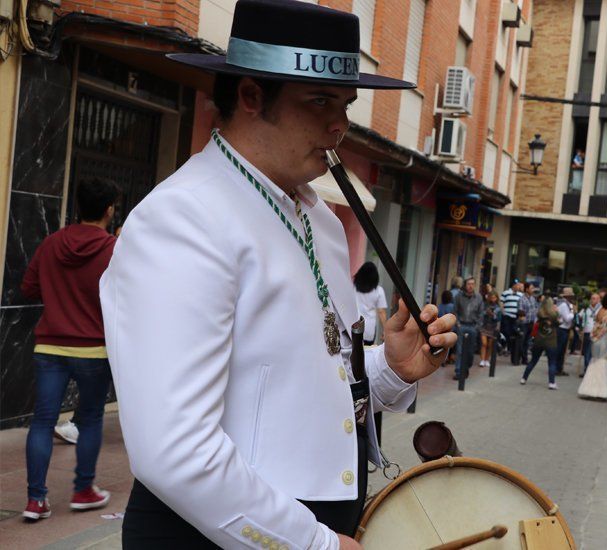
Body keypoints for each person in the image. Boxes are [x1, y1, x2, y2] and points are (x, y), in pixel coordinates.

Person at [99, 3, 457, 547]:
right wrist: (312, 543)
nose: (339, 125)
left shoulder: (319, 219)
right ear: (249, 96)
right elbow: (174, 450)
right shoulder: (184, 219)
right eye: (318, 102)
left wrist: (393, 371)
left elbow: (302, 384)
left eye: (345, 104)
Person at [20, 177, 120, 521]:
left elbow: (29, 287)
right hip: (94, 349)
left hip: (49, 345)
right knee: (90, 420)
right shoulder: (113, 250)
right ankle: (82, 490)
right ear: (109, 210)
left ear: (78, 207)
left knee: (43, 421)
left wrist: (58, 294)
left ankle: (35, 501)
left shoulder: (51, 243)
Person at [578, 293, 607, 400]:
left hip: (595, 341)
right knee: (602, 364)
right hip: (604, 341)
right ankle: (600, 392)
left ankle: (588, 390)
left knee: (593, 363)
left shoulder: (599, 312)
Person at [521, 297, 561, 389]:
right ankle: (551, 383)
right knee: (552, 362)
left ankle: (524, 378)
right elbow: (559, 323)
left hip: (539, 341)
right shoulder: (554, 315)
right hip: (551, 341)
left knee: (533, 361)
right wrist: (557, 312)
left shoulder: (540, 314)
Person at [454, 277, 484, 380]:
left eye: (472, 284)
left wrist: (477, 327)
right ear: (465, 285)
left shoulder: (479, 298)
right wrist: (457, 323)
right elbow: (455, 311)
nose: (470, 286)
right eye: (468, 284)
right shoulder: (459, 297)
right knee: (460, 350)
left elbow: (481, 314)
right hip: (461, 325)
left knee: (470, 352)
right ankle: (458, 371)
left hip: (473, 326)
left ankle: (466, 367)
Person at [353, 261, 387, 345]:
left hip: (354, 325)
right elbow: (381, 312)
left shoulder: (353, 287)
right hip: (369, 330)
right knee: (366, 354)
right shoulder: (379, 291)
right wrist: (386, 330)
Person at [555, 287, 576, 375]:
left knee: (563, 351)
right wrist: (573, 313)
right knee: (559, 350)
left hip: (565, 329)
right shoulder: (564, 305)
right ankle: (556, 368)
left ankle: (560, 368)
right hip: (562, 329)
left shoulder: (567, 304)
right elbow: (567, 318)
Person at [479, 291, 502, 368]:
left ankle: (486, 359)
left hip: (493, 327)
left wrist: (493, 315)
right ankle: (482, 359)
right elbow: (481, 314)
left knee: (490, 345)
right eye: (491, 297)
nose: (493, 299)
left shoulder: (498, 308)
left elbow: (499, 319)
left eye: (494, 297)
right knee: (484, 343)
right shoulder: (485, 305)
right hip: (484, 326)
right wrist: (486, 313)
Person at [500, 278, 523, 356]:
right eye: (517, 285)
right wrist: (502, 312)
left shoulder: (520, 295)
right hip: (507, 316)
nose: (518, 286)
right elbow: (501, 303)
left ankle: (510, 348)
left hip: (516, 317)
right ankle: (506, 346)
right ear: (513, 285)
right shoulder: (505, 293)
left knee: (514, 332)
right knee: (506, 331)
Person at [518, 282, 538, 363]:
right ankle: (522, 357)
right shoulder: (522, 299)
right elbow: (520, 311)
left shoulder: (533, 299)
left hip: (531, 322)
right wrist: (522, 319)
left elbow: (535, 309)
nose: (533, 290)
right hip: (524, 323)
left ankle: (524, 358)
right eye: (531, 288)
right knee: (522, 341)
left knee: (528, 341)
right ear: (526, 289)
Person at [579, 298, 597, 374]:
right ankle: (587, 368)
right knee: (587, 351)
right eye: (592, 299)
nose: (593, 300)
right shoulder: (586, 309)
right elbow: (579, 316)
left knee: (592, 352)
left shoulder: (600, 309)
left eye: (595, 299)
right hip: (587, 331)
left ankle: (589, 368)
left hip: (596, 332)